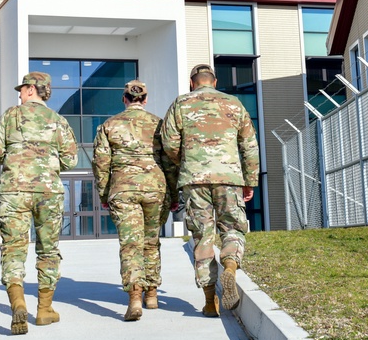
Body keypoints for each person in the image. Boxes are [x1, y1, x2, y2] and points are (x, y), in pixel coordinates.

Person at [161, 64, 260, 317]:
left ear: (192, 82)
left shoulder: (180, 104)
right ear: (214, 82)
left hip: (194, 179)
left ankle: (209, 301)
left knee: (202, 236)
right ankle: (230, 265)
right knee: (232, 228)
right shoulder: (234, 104)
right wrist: (249, 180)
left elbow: (169, 143)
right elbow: (249, 145)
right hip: (229, 177)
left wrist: (185, 163)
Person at [0, 72, 78, 335]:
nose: (19, 94)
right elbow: (71, 160)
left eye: (22, 89)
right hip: (48, 192)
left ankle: (18, 302)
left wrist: (13, 161)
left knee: (13, 249)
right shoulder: (58, 120)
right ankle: (44, 309)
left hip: (14, 190)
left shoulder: (10, 116)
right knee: (48, 251)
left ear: (31, 89)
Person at [93, 80, 178, 321]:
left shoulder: (109, 125)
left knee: (130, 245)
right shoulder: (159, 125)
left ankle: (134, 298)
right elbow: (170, 162)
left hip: (123, 189)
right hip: (155, 189)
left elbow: (101, 164)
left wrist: (104, 193)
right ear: (145, 99)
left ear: (124, 99)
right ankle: (152, 294)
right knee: (151, 242)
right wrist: (173, 194)